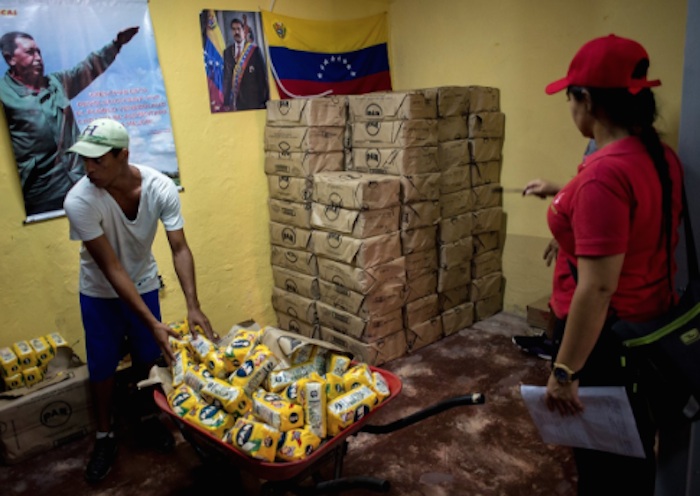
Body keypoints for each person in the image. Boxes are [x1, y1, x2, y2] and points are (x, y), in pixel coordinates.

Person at [539, 34, 684, 495]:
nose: (570, 109)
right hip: (647, 329)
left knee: (605, 468)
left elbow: (598, 288)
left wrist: (565, 371)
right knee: (630, 456)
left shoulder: (605, 173)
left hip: (606, 343)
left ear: (587, 101)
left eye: (570, 98)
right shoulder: (658, 156)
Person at [63, 117, 215, 484]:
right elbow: (112, 269)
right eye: (85, 159)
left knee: (148, 358)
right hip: (100, 290)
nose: (89, 168)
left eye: (98, 160)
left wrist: (193, 305)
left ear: (123, 155)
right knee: (102, 368)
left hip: (144, 281)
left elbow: (179, 248)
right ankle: (104, 435)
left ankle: (148, 421)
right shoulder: (79, 200)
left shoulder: (160, 186)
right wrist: (152, 322)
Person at [0, 27, 139, 218]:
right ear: (10, 59)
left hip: (80, 182)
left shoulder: (56, 83)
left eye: (39, 51)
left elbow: (87, 68)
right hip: (43, 194)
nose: (38, 57)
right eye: (30, 52)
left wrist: (115, 45)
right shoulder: (4, 94)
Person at [512, 141, 597, 360]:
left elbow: (597, 197)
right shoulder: (603, 149)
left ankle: (562, 355)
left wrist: (564, 374)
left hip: (587, 251)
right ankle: (552, 343)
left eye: (573, 103)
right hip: (576, 240)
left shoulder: (614, 161)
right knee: (562, 291)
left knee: (572, 297)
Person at [222, 17, 269, 111]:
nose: (236, 32)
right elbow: (227, 78)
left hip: (254, 101)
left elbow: (262, 78)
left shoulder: (254, 51)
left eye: (238, 29)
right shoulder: (227, 52)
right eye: (234, 29)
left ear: (244, 30)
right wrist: (226, 101)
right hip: (237, 103)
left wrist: (264, 101)